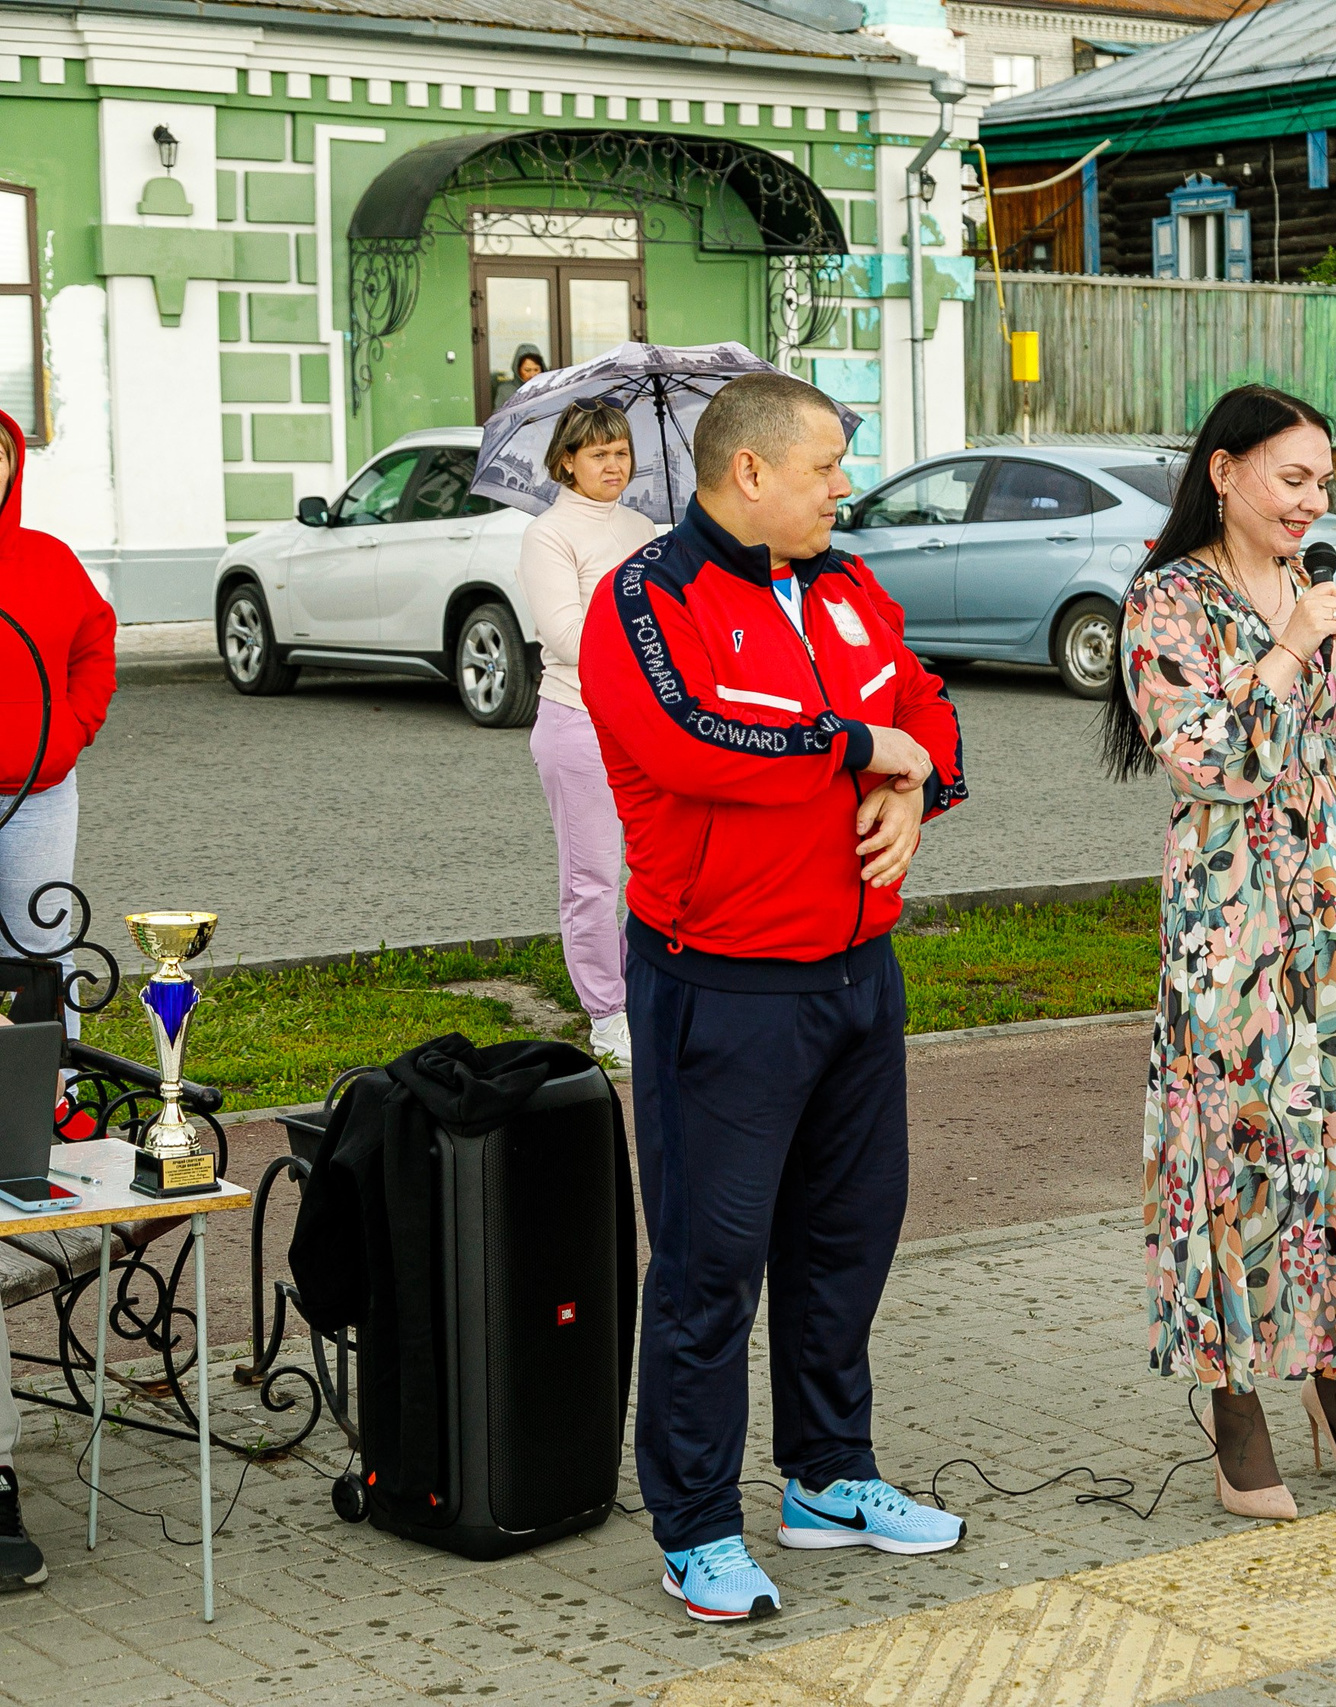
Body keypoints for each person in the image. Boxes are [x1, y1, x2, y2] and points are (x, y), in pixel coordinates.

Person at [581, 373, 968, 1622]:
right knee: (710, 1271)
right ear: (749, 472)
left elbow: (924, 704)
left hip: (858, 974)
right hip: (722, 984)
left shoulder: (848, 585)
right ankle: (695, 1528)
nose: (844, 489)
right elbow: (693, 739)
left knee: (844, 1244)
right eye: (825, 469)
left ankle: (827, 1478)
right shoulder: (646, 597)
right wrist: (857, 748)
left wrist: (915, 785)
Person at [1105, 384, 1336, 1522]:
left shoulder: (1312, 593)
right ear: (1225, 472)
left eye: (1323, 481)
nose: (1312, 501)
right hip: (1234, 923)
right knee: (1241, 1151)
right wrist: (1287, 648)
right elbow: (1210, 760)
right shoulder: (1165, 599)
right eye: (1292, 478)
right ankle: (1236, 1410)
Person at [0, 406, 116, 1596]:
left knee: (41, 952)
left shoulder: (46, 559)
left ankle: (55, 1107)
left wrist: (71, 731)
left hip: (39, 789)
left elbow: (94, 643)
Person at [520, 400, 657, 1066]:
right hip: (578, 721)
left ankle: (649, 998)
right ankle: (609, 1015)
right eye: (598, 453)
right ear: (567, 460)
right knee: (594, 879)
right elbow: (567, 635)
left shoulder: (642, 527)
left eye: (622, 451)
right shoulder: (549, 535)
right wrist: (649, 641)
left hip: (646, 721)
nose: (613, 464)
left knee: (653, 870)